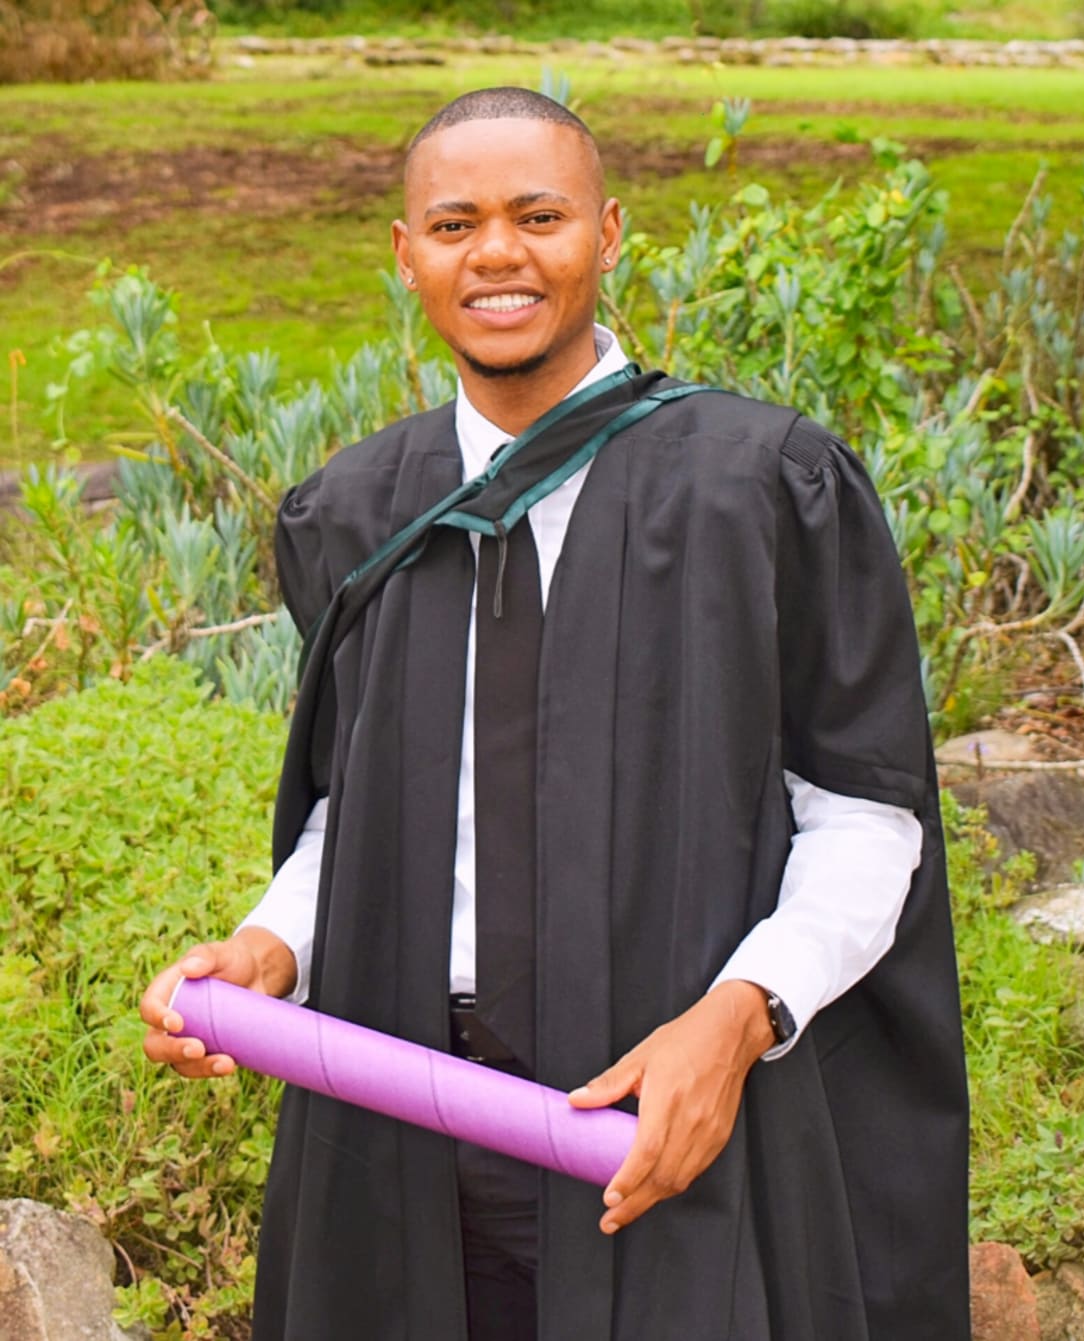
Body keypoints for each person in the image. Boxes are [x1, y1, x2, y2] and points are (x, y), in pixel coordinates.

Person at [141, 87, 971, 1341]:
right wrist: (271, 953)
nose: (498, 254)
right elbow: (356, 815)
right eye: (456, 221)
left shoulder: (761, 488)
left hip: (675, 1119)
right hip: (403, 1121)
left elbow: (867, 819)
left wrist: (739, 1020)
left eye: (540, 215)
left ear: (609, 232)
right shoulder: (356, 513)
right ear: (406, 252)